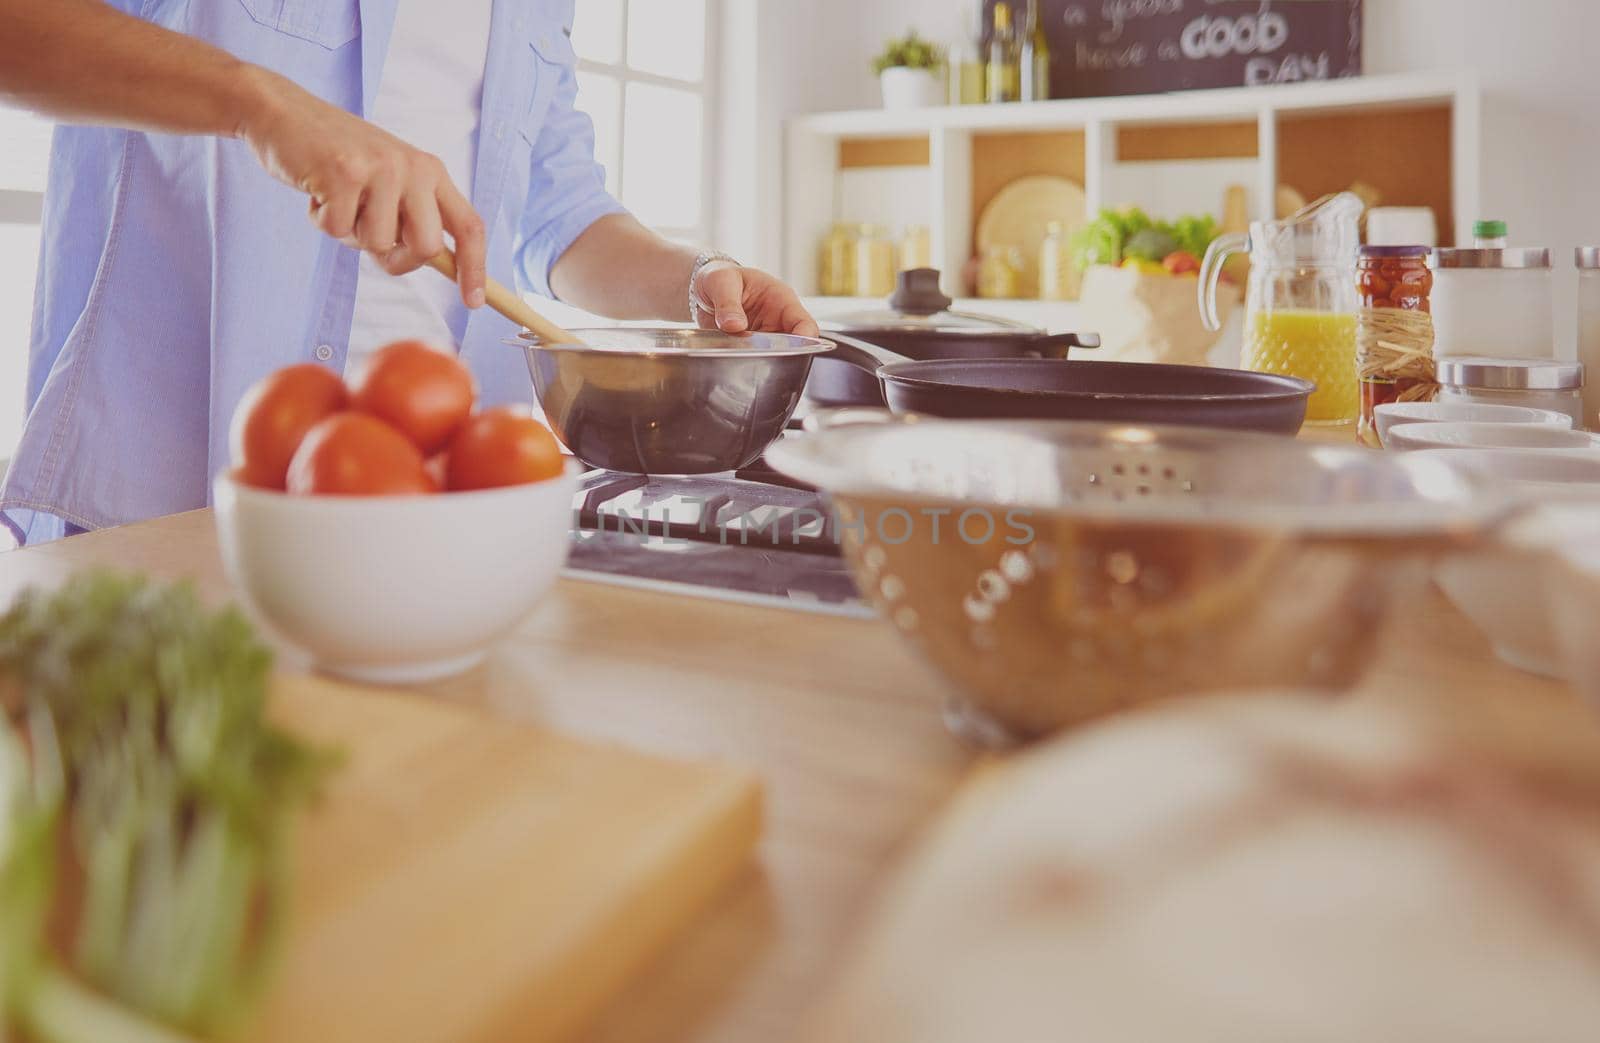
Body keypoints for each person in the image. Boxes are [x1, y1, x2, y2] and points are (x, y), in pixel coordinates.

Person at [0, 0, 818, 543]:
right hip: (176, 498)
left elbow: (558, 211)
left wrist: (698, 279)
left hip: (441, 508)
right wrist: (264, 105)